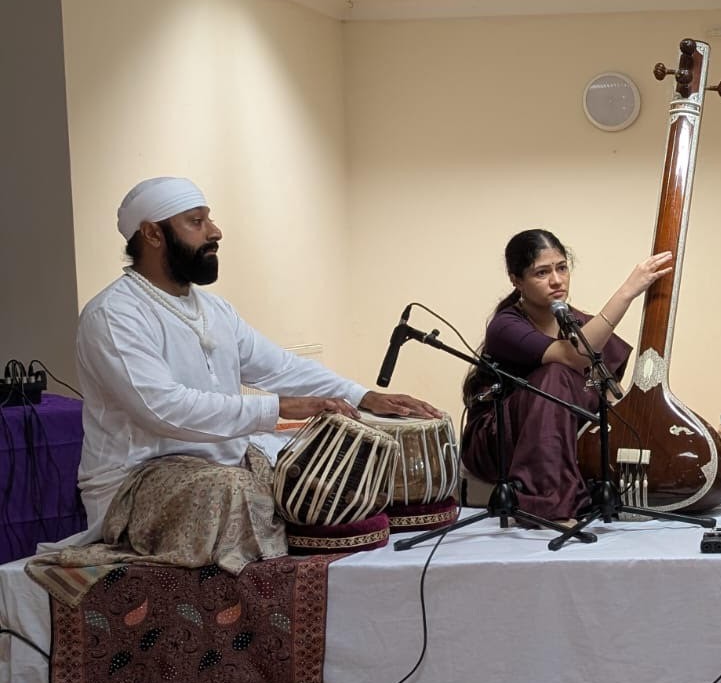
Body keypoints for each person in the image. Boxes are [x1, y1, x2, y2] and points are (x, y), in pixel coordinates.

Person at [29, 177, 439, 604]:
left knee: (314, 469)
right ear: (152, 233)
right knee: (235, 492)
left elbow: (278, 365)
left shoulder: (213, 310)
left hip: (223, 462)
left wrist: (360, 396)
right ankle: (268, 600)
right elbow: (161, 408)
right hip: (137, 480)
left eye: (209, 219)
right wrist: (277, 409)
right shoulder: (114, 315)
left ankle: (352, 593)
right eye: (196, 221)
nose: (215, 232)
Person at [461, 230, 671, 522]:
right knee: (557, 374)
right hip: (497, 442)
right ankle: (545, 505)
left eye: (562, 268)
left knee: (600, 395)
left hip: (565, 442)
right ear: (516, 280)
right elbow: (572, 357)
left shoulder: (577, 322)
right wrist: (628, 291)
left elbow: (612, 395)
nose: (557, 280)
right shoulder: (505, 325)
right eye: (541, 273)